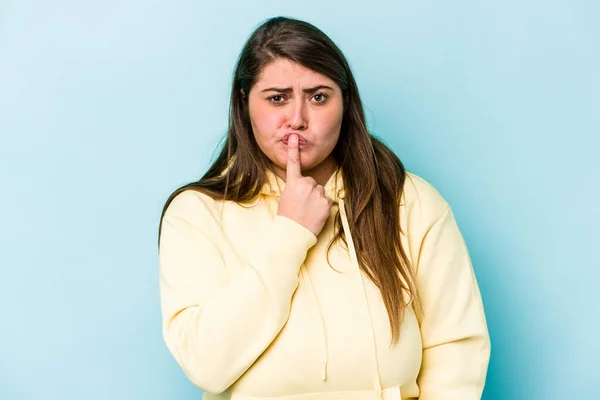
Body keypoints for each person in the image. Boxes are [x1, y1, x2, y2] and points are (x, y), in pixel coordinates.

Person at [157, 16, 490, 400]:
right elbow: (206, 365)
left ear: (345, 104)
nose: (296, 119)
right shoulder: (197, 213)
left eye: (318, 96)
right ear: (244, 103)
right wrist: (290, 233)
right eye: (277, 98)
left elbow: (457, 347)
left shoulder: (409, 200)